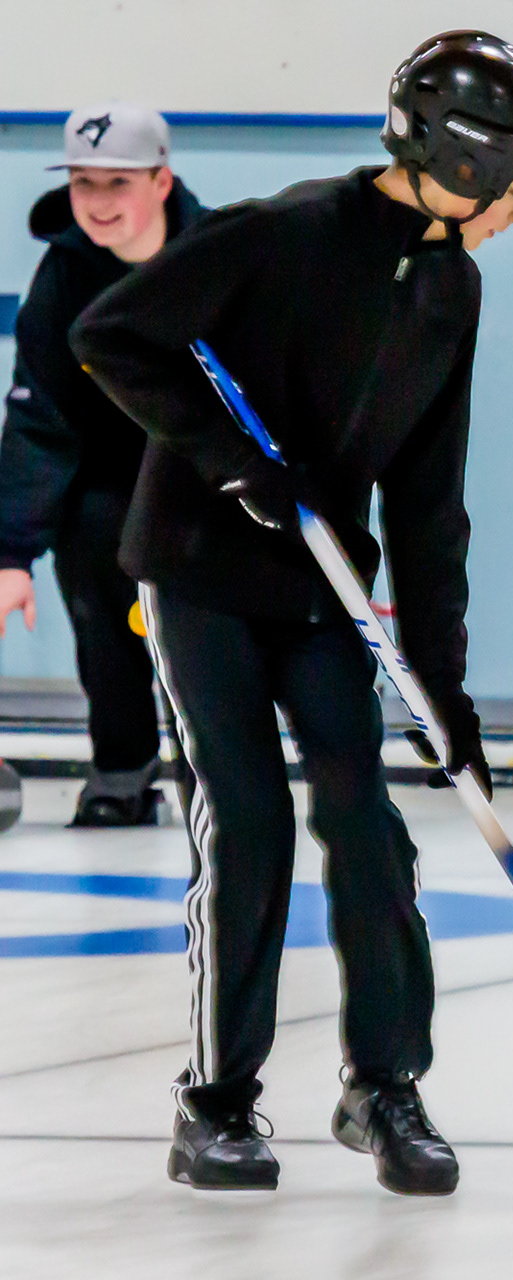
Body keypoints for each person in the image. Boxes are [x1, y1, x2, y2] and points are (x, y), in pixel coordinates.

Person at [70, 32, 513, 1195]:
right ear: (462, 160)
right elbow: (115, 338)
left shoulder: (453, 286)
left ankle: (383, 1084)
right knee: (245, 817)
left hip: (318, 587)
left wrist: (442, 693)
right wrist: (229, 460)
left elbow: (430, 501)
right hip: (200, 572)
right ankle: (216, 1102)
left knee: (365, 817)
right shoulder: (280, 232)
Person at [0, 102, 202, 825]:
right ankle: (122, 770)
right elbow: (38, 419)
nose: (98, 203)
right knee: (98, 603)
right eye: (84, 183)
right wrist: (11, 555)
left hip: (207, 477)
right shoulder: (62, 279)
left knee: (202, 633)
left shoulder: (219, 256)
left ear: (161, 181)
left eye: (117, 183)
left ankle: (218, 774)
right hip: (108, 482)